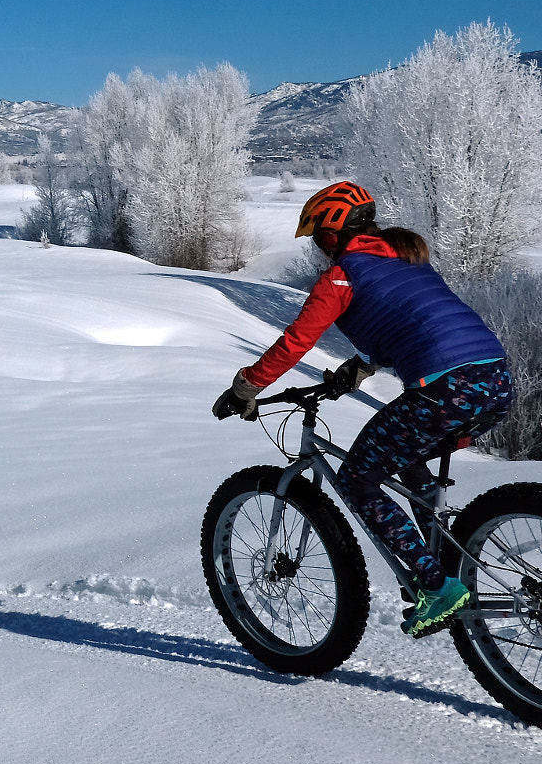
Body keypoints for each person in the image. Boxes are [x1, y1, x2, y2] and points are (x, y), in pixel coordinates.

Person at [212, 181, 513, 637]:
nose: (318, 248)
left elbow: (297, 341)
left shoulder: (342, 275)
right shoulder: (407, 259)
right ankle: (442, 555)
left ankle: (435, 585)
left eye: (317, 238)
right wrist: (355, 371)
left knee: (358, 477)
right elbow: (409, 323)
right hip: (496, 381)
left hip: (445, 388)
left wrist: (245, 387)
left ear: (331, 236)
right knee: (407, 453)